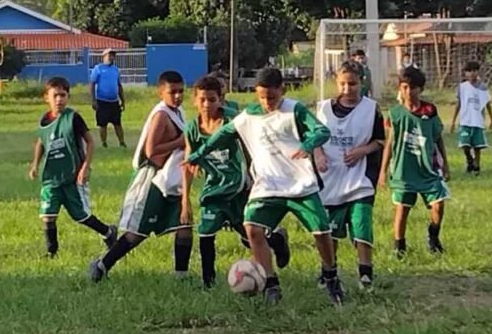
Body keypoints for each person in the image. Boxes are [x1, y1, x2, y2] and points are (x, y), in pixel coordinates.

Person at [186, 68, 345, 305]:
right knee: (252, 228)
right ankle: (271, 283)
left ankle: (331, 276)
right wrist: (199, 153)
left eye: (271, 97)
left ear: (282, 90)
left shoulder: (295, 110)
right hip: (267, 185)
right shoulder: (249, 115)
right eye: (261, 96)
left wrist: (309, 143)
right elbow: (224, 134)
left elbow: (322, 131)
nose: (266, 102)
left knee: (321, 232)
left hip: (299, 184)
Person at [181, 76, 291, 288]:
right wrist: (185, 200)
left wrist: (257, 177)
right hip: (214, 191)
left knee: (251, 236)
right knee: (205, 234)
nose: (206, 105)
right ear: (194, 100)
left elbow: (253, 146)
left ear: (220, 100)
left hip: (240, 188)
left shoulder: (234, 121)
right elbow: (187, 162)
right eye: (202, 100)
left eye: (211, 100)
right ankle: (208, 284)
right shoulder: (192, 129)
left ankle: (276, 241)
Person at [89, 71, 193, 281]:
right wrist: (180, 142)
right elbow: (151, 150)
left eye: (181, 91)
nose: (177, 96)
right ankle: (102, 264)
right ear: (160, 92)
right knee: (137, 233)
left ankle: (181, 274)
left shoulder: (178, 111)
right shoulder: (162, 115)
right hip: (153, 180)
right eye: (172, 92)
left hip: (173, 178)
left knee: (185, 224)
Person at [314, 61, 385, 291]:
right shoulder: (323, 109)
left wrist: (361, 151)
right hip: (330, 180)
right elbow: (313, 138)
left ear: (361, 82)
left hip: (359, 179)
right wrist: (318, 155)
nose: (347, 89)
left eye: (352, 83)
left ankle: (365, 273)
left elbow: (380, 141)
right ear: (336, 82)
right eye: (343, 83)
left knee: (362, 224)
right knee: (329, 231)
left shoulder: (371, 109)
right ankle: (328, 272)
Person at [28, 76, 118, 258]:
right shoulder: (44, 121)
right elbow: (41, 142)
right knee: (47, 214)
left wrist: (85, 167)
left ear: (68, 97)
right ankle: (51, 251)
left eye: (63, 95)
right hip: (51, 177)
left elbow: (90, 142)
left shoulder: (73, 117)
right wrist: (35, 165)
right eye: (55, 95)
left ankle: (108, 231)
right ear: (46, 97)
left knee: (80, 215)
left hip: (72, 176)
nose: (59, 99)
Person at [379, 67, 450, 258]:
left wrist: (445, 164)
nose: (409, 92)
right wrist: (383, 172)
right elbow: (390, 144)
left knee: (439, 204)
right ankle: (399, 246)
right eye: (405, 87)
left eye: (413, 88)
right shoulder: (395, 113)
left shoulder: (430, 111)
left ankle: (433, 237)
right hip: (404, 170)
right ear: (400, 89)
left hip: (427, 168)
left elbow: (437, 138)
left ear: (421, 89)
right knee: (402, 210)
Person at [450, 61, 492, 176]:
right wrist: (453, 121)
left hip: (478, 121)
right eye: (469, 71)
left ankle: (477, 166)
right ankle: (469, 159)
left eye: (474, 71)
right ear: (465, 73)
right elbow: (459, 104)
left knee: (477, 146)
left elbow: (487, 104)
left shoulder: (483, 87)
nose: (472, 74)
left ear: (478, 72)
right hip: (465, 121)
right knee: (465, 145)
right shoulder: (462, 87)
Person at [89, 49, 126, 147]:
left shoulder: (115, 69)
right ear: (104, 56)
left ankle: (122, 142)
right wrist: (93, 100)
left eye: (113, 55)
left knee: (118, 124)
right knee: (102, 124)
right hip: (102, 101)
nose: (111, 57)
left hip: (114, 102)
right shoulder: (98, 69)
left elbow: (119, 85)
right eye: (109, 55)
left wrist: (123, 100)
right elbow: (92, 84)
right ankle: (104, 143)